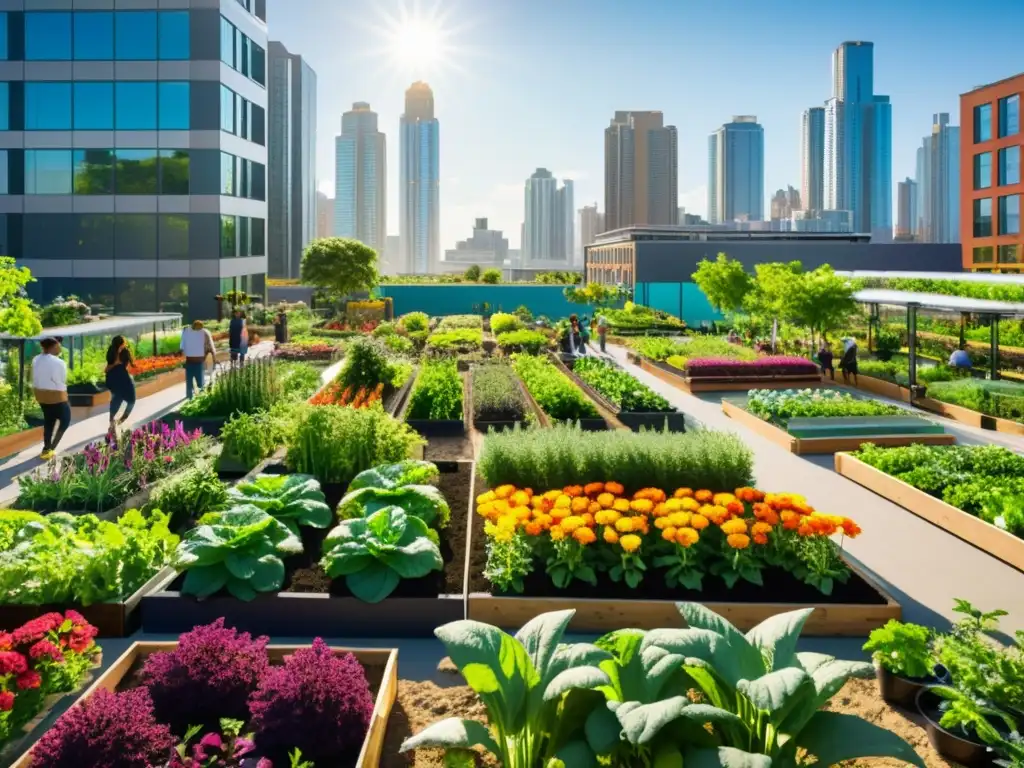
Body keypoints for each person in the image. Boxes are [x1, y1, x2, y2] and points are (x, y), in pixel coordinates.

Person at [33, 337, 70, 461]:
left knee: (49, 421)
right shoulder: (58, 362)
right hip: (56, 395)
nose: (60, 348)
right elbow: (60, 380)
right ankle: (51, 448)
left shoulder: (36, 359)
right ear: (53, 346)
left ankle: (46, 448)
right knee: (65, 420)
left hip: (41, 395)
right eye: (58, 345)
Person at [104, 335, 136, 430]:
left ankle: (119, 421)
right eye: (123, 343)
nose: (124, 344)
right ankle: (111, 422)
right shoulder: (111, 352)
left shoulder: (125, 352)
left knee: (132, 400)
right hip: (114, 379)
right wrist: (115, 363)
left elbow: (128, 365)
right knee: (116, 400)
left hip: (124, 379)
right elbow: (106, 369)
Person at [180, 320, 216, 399]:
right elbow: (183, 347)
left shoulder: (205, 333)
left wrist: (212, 358)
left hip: (199, 361)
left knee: (198, 382)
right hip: (191, 361)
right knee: (191, 382)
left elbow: (210, 347)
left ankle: (198, 397)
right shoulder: (188, 333)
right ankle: (190, 398)